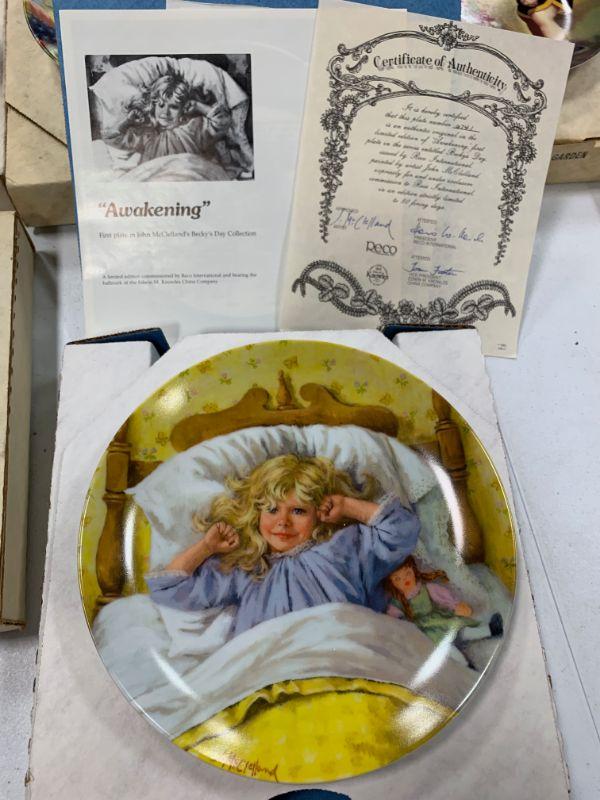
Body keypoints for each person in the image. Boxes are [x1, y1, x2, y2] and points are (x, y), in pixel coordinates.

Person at [146, 454, 420, 638]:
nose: (283, 522)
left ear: (319, 513)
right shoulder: (247, 568)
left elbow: (403, 530)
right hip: (271, 665)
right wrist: (206, 547)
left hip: (341, 651)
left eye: (298, 511)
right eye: (272, 510)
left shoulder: (343, 547)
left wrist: (347, 506)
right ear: (255, 514)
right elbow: (169, 590)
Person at [105, 72, 243, 176]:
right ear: (153, 106)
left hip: (189, 176)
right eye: (161, 105)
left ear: (184, 108)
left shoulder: (193, 127)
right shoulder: (146, 133)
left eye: (174, 107)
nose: (165, 112)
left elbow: (224, 122)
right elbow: (111, 139)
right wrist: (127, 121)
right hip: (157, 180)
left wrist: (197, 105)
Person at [384, 556, 503, 647]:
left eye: (408, 573)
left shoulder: (426, 589)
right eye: (397, 579)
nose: (405, 579)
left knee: (461, 631)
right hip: (426, 631)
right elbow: (393, 619)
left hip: (440, 620)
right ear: (392, 583)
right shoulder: (397, 602)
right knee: (446, 648)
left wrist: (455, 606)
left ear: (414, 571)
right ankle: (465, 666)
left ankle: (491, 630)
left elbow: (442, 597)